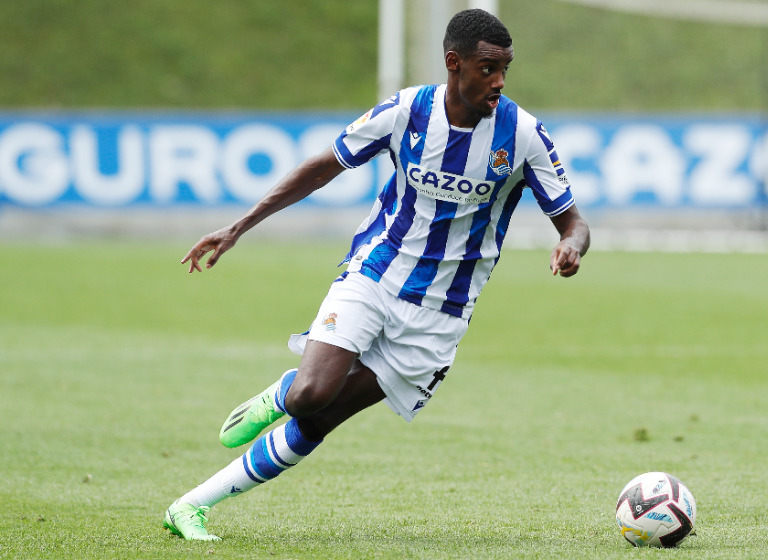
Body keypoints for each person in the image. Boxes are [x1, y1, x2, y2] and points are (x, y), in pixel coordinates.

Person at [162, 8, 590, 541]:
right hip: (377, 273)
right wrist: (238, 226)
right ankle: (285, 392)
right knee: (309, 395)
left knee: (319, 420)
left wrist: (569, 246)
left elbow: (573, 222)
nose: (499, 81)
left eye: (505, 68)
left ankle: (190, 506)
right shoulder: (407, 112)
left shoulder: (523, 136)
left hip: (443, 313)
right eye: (488, 68)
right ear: (454, 63)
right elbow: (323, 167)